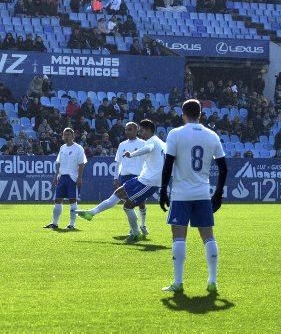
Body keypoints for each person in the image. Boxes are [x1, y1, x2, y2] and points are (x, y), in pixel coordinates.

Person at [159, 99, 227, 294]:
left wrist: (164, 190)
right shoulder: (211, 135)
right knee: (208, 237)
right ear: (200, 114)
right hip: (202, 194)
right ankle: (212, 281)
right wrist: (218, 194)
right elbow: (223, 168)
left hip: (181, 194)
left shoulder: (176, 134)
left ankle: (178, 282)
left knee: (178, 237)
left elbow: (168, 164)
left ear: (183, 113)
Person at [76, 120, 166, 243]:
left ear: (149, 130)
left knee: (128, 206)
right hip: (142, 178)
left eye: (142, 130)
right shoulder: (162, 143)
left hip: (150, 182)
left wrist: (132, 154)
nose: (140, 132)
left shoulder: (151, 142)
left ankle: (136, 233)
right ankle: (91, 213)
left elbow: (147, 149)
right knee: (118, 193)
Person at [44, 128, 87, 230]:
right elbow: (58, 162)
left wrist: (80, 178)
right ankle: (54, 223)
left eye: (68, 134)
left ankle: (72, 224)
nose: (66, 136)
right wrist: (56, 176)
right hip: (62, 177)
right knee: (58, 201)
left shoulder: (78, 148)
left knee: (72, 201)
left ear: (73, 136)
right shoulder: (62, 147)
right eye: (65, 134)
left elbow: (81, 164)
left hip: (72, 178)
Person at [112, 122, 149, 236]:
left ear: (137, 130)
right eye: (126, 129)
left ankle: (143, 225)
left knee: (141, 202)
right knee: (128, 203)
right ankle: (133, 228)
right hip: (124, 176)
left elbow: (149, 161)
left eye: (130, 129)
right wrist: (115, 177)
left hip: (138, 177)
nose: (127, 131)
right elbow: (118, 162)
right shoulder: (122, 144)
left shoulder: (143, 143)